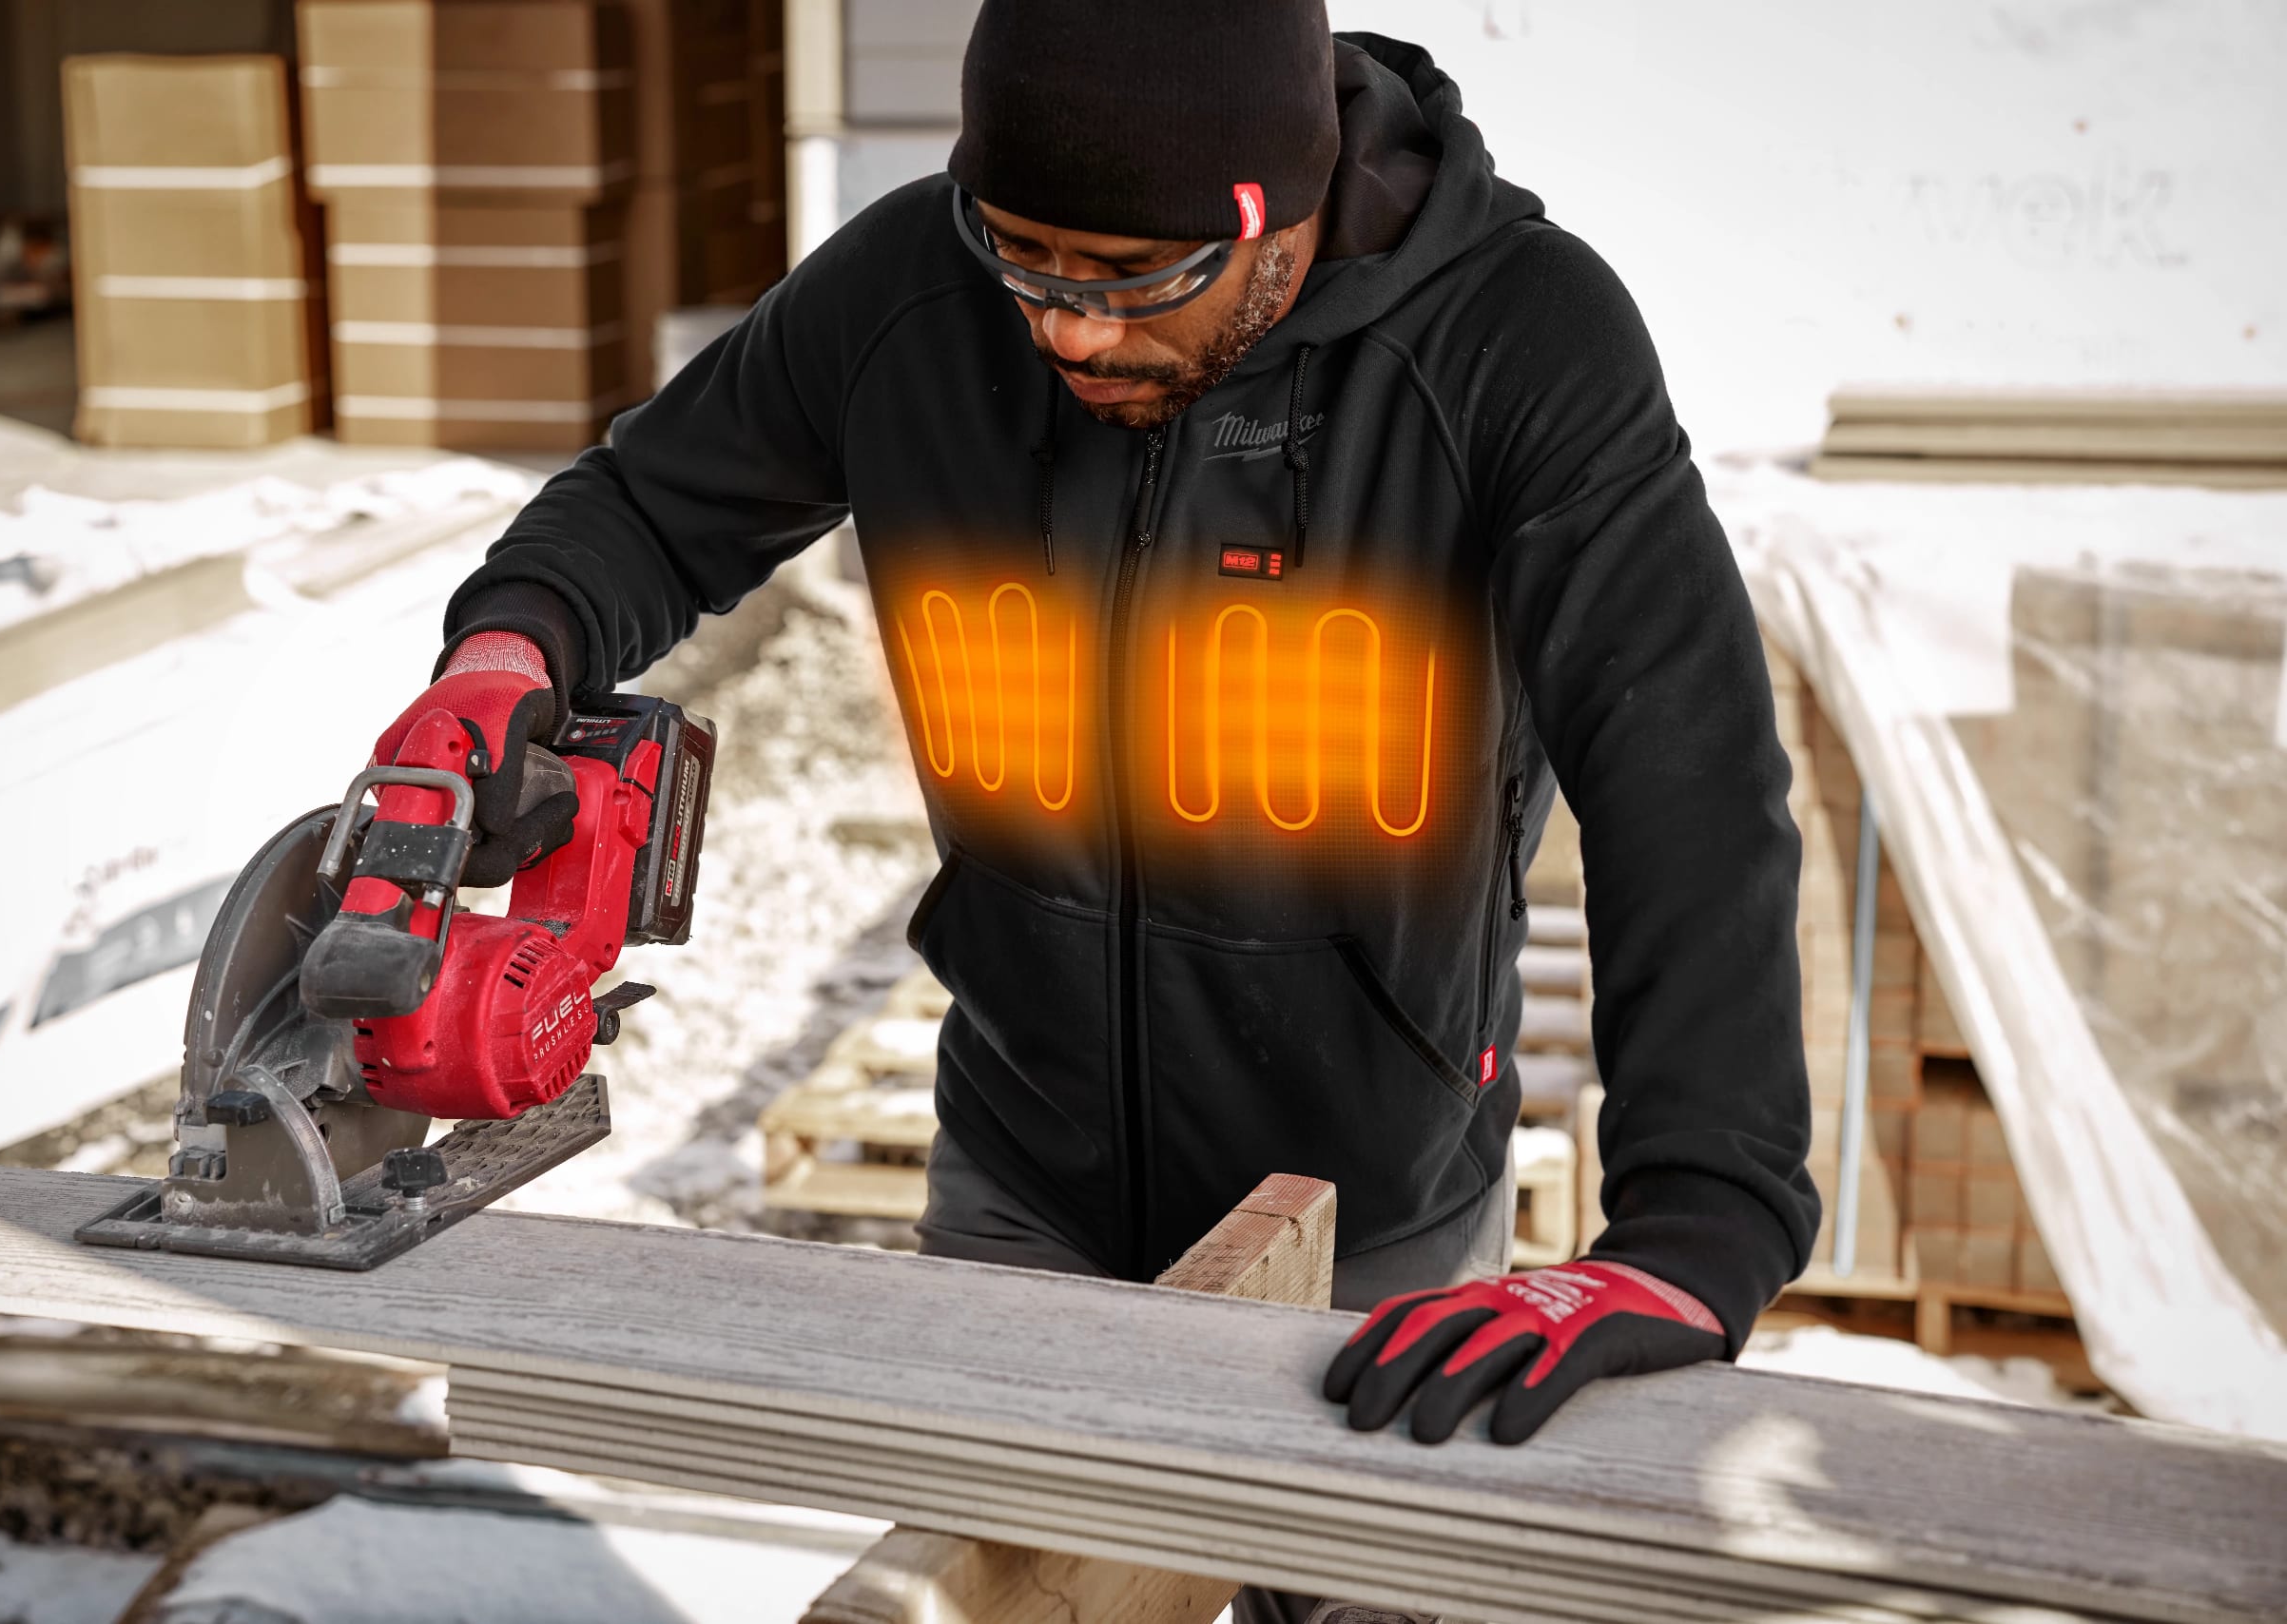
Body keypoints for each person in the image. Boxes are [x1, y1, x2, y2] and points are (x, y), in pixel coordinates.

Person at [378, 4, 1818, 1614]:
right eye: (1029, 260)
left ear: (1286, 206)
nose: (1067, 331)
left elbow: (1682, 766)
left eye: (1135, 277)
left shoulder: (1514, 341)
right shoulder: (913, 294)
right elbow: (652, 503)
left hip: (1374, 1214)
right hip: (1026, 1173)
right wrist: (508, 655)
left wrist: (1698, 1227)